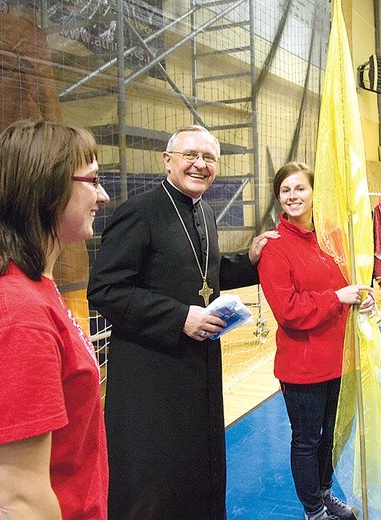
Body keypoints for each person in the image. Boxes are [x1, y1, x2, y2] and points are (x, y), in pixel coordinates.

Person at [87, 124, 279, 520]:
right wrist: (179, 317)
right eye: (191, 155)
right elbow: (105, 289)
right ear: (168, 160)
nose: (200, 164)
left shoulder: (204, 210)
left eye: (209, 157)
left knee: (196, 469)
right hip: (151, 375)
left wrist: (250, 262)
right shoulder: (139, 213)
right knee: (155, 481)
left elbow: (202, 273)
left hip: (198, 366)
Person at [0, 120, 110, 519]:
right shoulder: (19, 317)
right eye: (92, 181)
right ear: (49, 188)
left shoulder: (35, 287)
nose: (103, 196)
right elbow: (22, 499)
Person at [257, 162, 374, 520]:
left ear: (313, 192)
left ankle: (324, 493)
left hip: (339, 359)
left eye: (299, 189)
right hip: (303, 366)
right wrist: (336, 297)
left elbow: (349, 287)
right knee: (307, 441)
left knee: (331, 437)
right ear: (279, 199)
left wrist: (363, 298)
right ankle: (313, 510)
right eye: (285, 191)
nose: (293, 196)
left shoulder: (331, 239)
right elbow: (289, 310)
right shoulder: (274, 248)